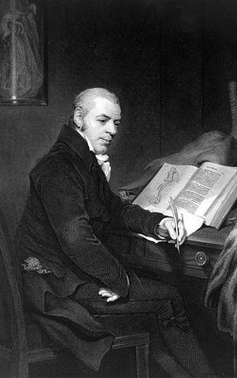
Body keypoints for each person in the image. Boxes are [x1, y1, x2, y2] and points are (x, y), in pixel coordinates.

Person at [15, 88, 216, 377]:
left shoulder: (82, 161)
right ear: (79, 118)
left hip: (69, 275)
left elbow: (117, 210)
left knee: (160, 301)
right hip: (53, 287)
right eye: (103, 120)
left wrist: (158, 224)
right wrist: (119, 280)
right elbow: (76, 240)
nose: (112, 131)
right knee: (169, 298)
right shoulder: (58, 166)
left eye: (116, 123)